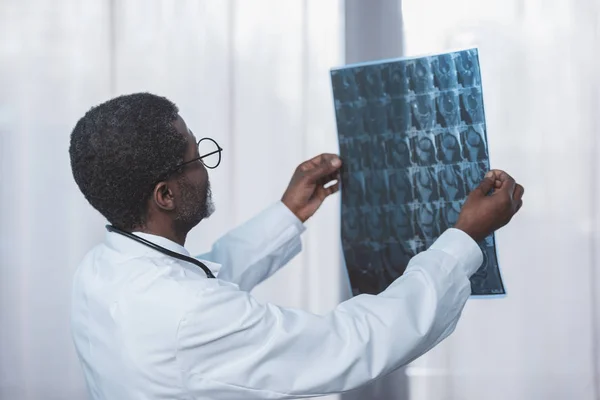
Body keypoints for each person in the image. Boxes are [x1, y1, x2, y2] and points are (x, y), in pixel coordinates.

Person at [68, 92, 524, 399]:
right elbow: (353, 343)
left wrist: (288, 213)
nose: (206, 169)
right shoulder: (187, 316)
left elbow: (205, 274)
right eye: (197, 156)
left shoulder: (101, 272)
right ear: (165, 194)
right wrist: (463, 239)